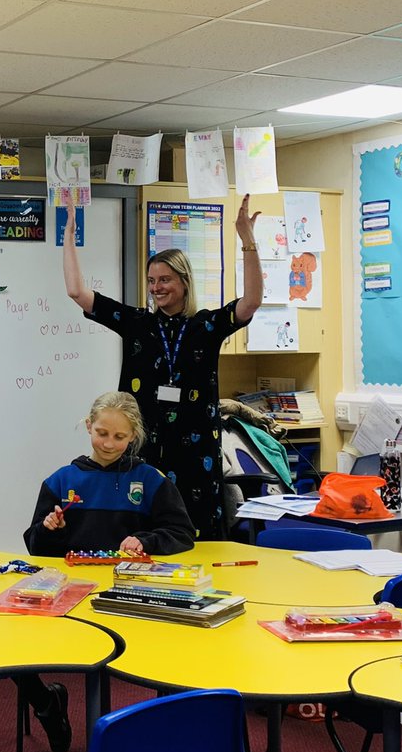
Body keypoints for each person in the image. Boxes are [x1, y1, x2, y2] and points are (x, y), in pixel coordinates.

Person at [63, 194, 262, 539]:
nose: (157, 288)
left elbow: (251, 302)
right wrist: (69, 237)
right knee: (139, 533)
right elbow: (77, 292)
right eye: (152, 281)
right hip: (143, 448)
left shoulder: (206, 326)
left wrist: (247, 242)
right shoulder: (137, 322)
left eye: (165, 280)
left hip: (195, 452)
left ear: (184, 281)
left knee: (197, 536)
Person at [18, 390, 196, 752]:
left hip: (129, 595)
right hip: (69, 593)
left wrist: (145, 539)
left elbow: (182, 534)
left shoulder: (149, 480)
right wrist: (50, 529)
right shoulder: (61, 480)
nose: (109, 443)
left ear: (133, 437)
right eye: (102, 433)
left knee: (177, 648)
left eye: (119, 436)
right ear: (88, 427)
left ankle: (166, 729)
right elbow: (36, 546)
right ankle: (47, 703)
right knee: (12, 644)